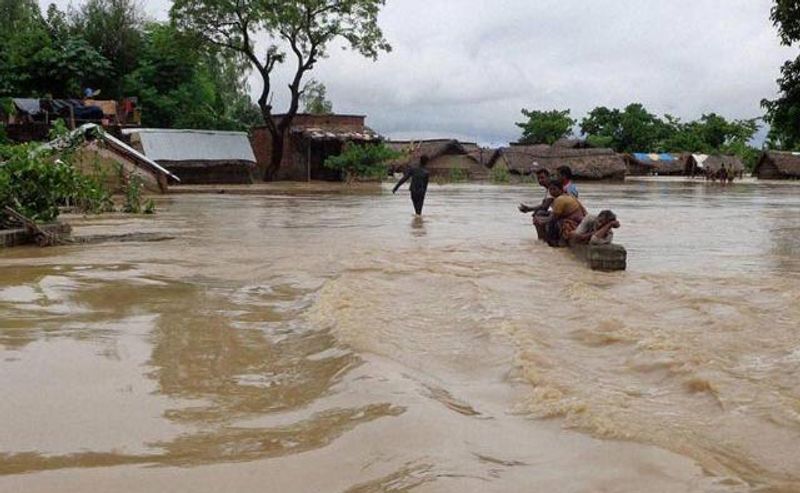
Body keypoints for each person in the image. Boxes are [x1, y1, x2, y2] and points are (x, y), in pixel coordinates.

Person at [534, 178, 586, 247]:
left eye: (554, 189)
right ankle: (545, 241)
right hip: (579, 220)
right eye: (550, 190)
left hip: (575, 222)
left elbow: (553, 218)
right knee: (542, 216)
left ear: (561, 190)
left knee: (551, 223)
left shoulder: (560, 199)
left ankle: (554, 243)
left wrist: (540, 221)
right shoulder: (567, 195)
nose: (552, 192)